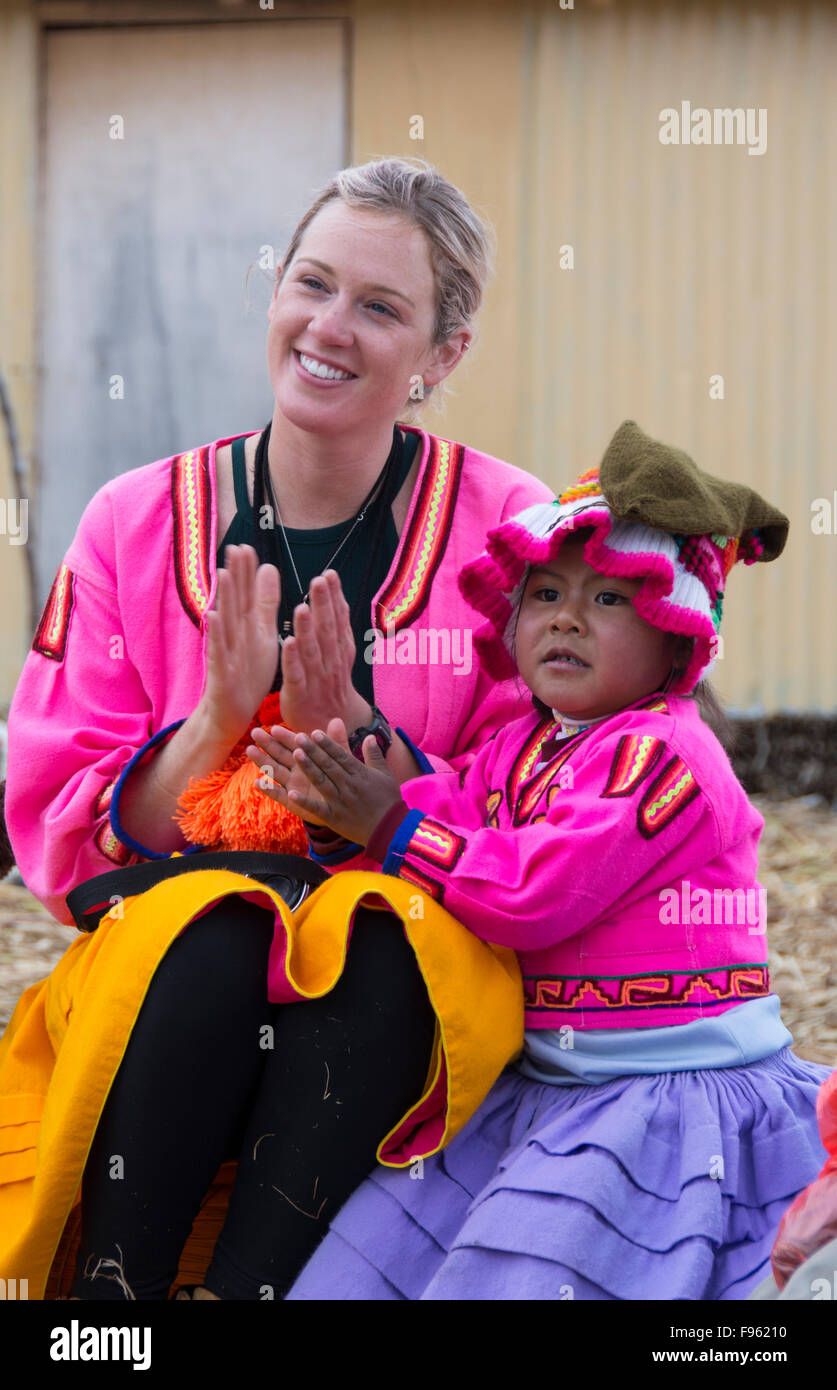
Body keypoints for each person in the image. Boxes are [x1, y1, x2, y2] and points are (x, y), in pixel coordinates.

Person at [0, 156, 551, 1301]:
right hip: (175, 973)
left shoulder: (514, 535)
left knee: (378, 935)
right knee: (214, 921)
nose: (329, 327)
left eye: (381, 307)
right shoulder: (133, 523)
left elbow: (537, 811)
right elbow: (59, 840)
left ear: (442, 355)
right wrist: (213, 718)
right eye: (313, 283)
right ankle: (111, 1306)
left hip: (405, 964)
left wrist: (358, 740)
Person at [254, 419, 833, 1301]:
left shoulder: (665, 758)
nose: (565, 616)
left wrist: (386, 827)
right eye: (545, 593)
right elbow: (443, 813)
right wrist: (340, 804)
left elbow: (532, 892)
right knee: (369, 1260)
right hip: (545, 1088)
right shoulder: (522, 745)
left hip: (660, 1102)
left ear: (677, 636)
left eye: (609, 598)